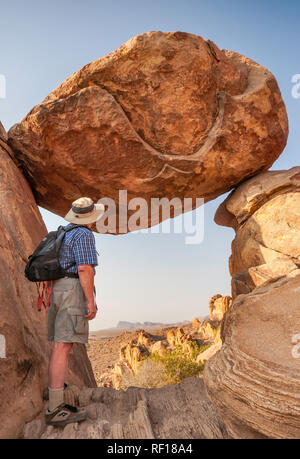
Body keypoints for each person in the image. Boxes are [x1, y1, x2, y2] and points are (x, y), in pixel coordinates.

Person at [45, 197, 104, 426]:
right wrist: (90, 301)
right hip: (71, 291)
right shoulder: (84, 234)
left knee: (59, 346)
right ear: (90, 217)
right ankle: (55, 409)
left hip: (57, 290)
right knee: (62, 347)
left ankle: (55, 398)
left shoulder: (64, 232)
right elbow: (84, 268)